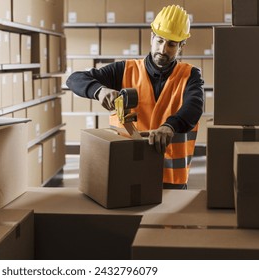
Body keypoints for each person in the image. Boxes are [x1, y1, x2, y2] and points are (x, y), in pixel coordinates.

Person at [66, 5, 204, 190]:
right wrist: (99, 90)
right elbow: (74, 79)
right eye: (160, 41)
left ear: (181, 46)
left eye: (171, 44)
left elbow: (194, 105)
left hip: (171, 181)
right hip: (126, 172)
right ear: (152, 37)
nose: (163, 49)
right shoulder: (124, 70)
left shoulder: (190, 75)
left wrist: (170, 126)